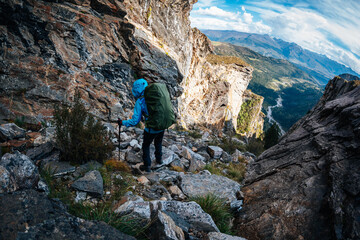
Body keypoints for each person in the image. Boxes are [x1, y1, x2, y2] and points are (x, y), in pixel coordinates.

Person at [118, 79, 164, 173]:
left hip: (151, 128)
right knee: (158, 142)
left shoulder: (140, 101)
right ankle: (159, 160)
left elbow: (135, 121)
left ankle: (147, 166)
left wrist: (123, 122)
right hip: (162, 125)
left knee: (146, 145)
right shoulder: (156, 94)